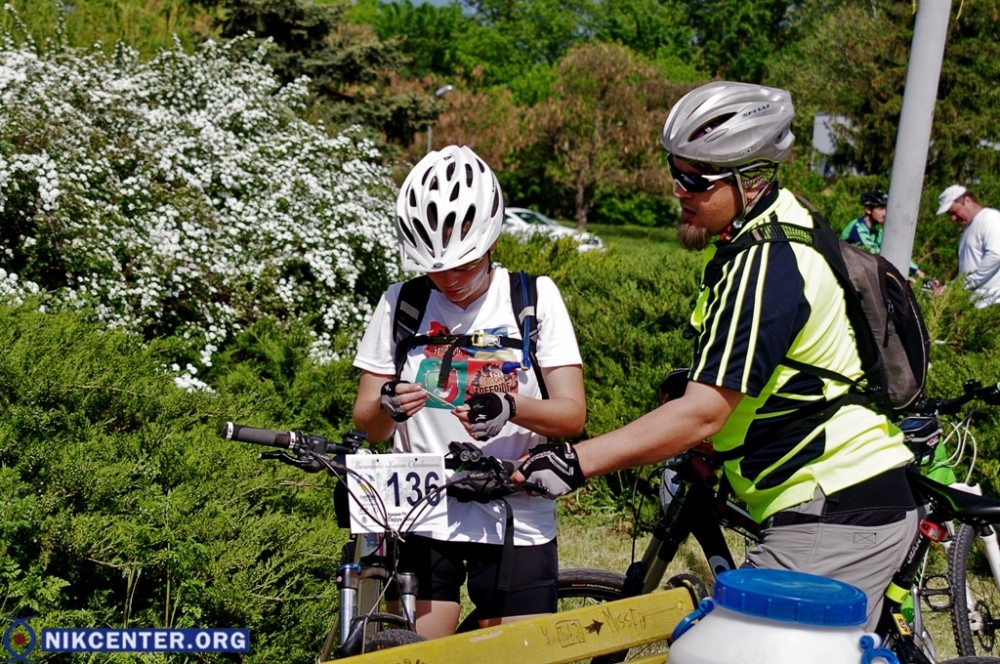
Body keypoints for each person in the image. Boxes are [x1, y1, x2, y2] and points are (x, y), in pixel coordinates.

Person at [514, 81, 918, 630]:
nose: (677, 190)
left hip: (833, 505)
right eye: (674, 170)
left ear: (749, 179)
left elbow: (703, 412)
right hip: (834, 498)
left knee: (725, 646)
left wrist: (575, 463)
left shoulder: (766, 263)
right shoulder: (780, 227)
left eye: (694, 180)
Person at [352, 144, 586, 638]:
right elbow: (368, 425)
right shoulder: (401, 304)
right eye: (434, 268)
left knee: (515, 653)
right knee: (417, 654)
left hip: (516, 512)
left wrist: (512, 406)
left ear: (491, 239)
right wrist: (388, 405)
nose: (449, 281)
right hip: (421, 511)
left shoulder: (533, 298)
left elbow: (571, 416)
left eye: (464, 265)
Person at [937, 184, 1000, 308]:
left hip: (993, 301)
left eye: (954, 212)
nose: (953, 218)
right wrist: (948, 285)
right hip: (976, 303)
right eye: (950, 215)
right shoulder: (967, 229)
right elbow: (966, 264)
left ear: (967, 200)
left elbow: (996, 255)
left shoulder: (990, 218)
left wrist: (964, 284)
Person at [841, 190, 924, 279]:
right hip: (845, 273)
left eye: (886, 208)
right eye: (880, 209)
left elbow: (893, 252)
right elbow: (875, 254)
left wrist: (918, 272)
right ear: (868, 209)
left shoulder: (877, 231)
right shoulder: (858, 228)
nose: (885, 213)